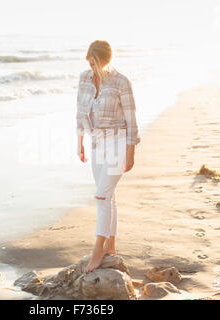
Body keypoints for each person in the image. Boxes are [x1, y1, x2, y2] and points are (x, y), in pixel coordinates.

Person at [76, 40, 141, 273]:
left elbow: (131, 118)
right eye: (90, 64)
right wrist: (80, 142)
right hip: (96, 143)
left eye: (96, 64)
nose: (93, 69)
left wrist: (130, 151)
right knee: (109, 195)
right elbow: (80, 112)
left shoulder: (121, 82)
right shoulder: (84, 79)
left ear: (106, 61)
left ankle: (99, 247)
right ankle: (111, 242)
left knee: (101, 196)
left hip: (118, 141)